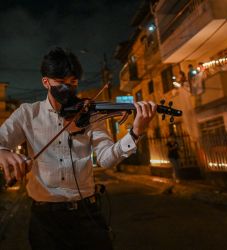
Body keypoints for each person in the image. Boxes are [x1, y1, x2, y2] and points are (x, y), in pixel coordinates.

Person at [0, 47, 157, 250]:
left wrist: (135, 132)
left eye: (73, 83)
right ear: (46, 82)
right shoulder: (28, 114)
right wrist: (3, 152)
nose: (69, 88)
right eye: (61, 83)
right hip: (45, 219)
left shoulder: (88, 114)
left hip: (86, 213)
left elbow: (106, 159)